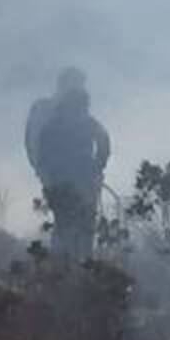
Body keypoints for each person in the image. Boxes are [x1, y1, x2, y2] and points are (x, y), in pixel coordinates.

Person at [36, 86, 111, 260]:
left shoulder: (78, 124)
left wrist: (97, 167)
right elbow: (104, 142)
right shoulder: (58, 126)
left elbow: (104, 142)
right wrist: (97, 167)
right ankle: (68, 262)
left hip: (77, 182)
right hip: (67, 183)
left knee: (79, 225)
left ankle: (77, 262)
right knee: (68, 225)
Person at [26, 66, 87, 177]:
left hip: (78, 176)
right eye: (77, 86)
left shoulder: (79, 115)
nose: (80, 91)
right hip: (55, 175)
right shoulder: (43, 109)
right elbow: (33, 142)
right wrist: (42, 169)